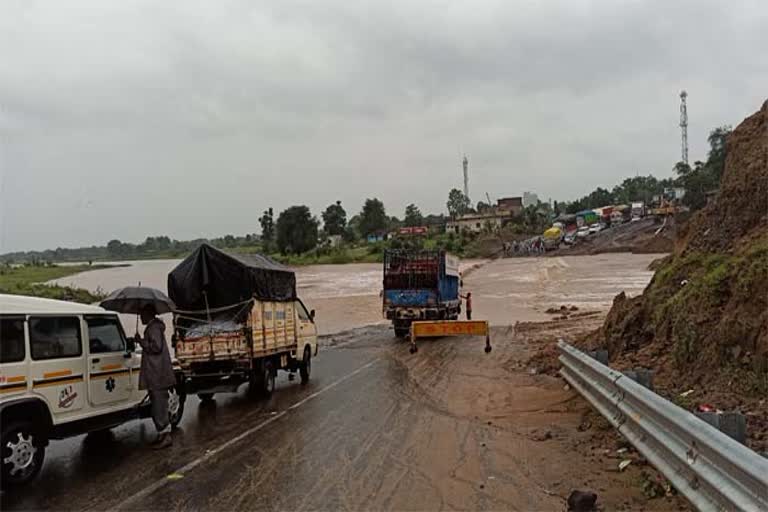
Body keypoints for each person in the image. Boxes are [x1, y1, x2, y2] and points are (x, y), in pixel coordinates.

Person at [135, 305, 177, 449]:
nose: (140, 317)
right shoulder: (154, 327)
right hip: (157, 373)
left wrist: (141, 342)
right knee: (157, 405)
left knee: (159, 406)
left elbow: (156, 347)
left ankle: (165, 436)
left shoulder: (153, 328)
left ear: (148, 314)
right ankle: (161, 434)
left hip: (158, 373)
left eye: (142, 314)